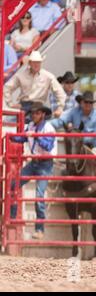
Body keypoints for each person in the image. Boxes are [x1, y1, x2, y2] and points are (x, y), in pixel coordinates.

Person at [10, 102, 57, 240]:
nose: (34, 115)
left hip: (45, 164)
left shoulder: (49, 128)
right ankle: (12, 218)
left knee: (39, 195)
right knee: (13, 184)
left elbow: (48, 146)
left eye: (37, 113)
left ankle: (39, 229)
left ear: (42, 114)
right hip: (34, 163)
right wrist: (10, 136)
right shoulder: (30, 126)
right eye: (33, 113)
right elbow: (21, 138)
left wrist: (35, 135)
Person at [3, 50, 66, 120]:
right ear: (29, 63)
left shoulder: (48, 76)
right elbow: (6, 88)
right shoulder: (21, 75)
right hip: (24, 106)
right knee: (8, 122)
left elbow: (60, 92)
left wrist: (60, 108)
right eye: (34, 62)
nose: (36, 64)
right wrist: (10, 104)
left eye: (38, 62)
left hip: (39, 106)